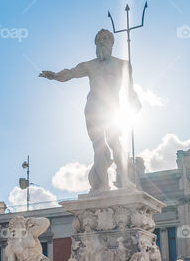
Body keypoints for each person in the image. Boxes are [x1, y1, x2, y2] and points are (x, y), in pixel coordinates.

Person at [39, 29, 142, 194]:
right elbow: (71, 72)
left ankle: (126, 180)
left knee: (115, 143)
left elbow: (130, 88)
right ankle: (103, 185)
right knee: (99, 146)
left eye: (105, 40)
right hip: (93, 109)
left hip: (112, 109)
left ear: (111, 43)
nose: (102, 42)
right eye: (99, 40)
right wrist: (56, 75)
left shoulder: (122, 64)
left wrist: (134, 101)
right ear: (95, 44)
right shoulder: (90, 65)